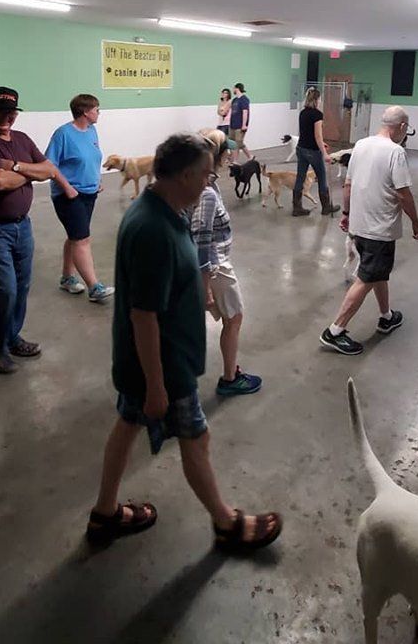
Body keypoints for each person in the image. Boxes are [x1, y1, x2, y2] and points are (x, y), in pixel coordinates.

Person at [86, 133, 281, 551]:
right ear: (187, 174)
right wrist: (157, 386)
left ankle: (104, 514)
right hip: (163, 365)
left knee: (126, 426)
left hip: (150, 361)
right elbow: (144, 316)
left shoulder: (165, 209)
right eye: (208, 175)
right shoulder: (153, 228)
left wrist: (201, 296)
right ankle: (227, 524)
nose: (212, 183)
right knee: (196, 438)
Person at [0, 87, 77, 374]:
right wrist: (29, 173)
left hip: (21, 226)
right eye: (1, 111)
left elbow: (49, 169)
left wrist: (14, 166)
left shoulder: (22, 139)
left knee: (22, 287)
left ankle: (11, 337)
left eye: (11, 112)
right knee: (3, 289)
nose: (7, 117)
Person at [319, 106, 418, 356]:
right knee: (366, 278)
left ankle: (386, 316)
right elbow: (403, 193)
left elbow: (348, 184)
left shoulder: (361, 145)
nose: (405, 133)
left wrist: (346, 214)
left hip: (359, 224)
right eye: (406, 129)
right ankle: (335, 330)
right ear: (400, 127)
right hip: (380, 228)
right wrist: (416, 222)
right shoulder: (395, 152)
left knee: (377, 271)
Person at [190, 137, 261, 396]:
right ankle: (230, 378)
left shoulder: (208, 185)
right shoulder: (206, 193)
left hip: (214, 264)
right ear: (215, 156)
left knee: (231, 318)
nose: (231, 153)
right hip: (216, 266)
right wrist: (205, 285)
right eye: (226, 150)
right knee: (235, 318)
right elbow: (201, 237)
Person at [45, 94, 115, 303]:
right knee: (82, 238)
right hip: (69, 195)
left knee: (75, 236)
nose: (98, 113)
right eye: (96, 109)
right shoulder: (63, 134)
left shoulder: (92, 130)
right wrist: (67, 188)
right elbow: (50, 166)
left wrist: (97, 179)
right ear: (85, 112)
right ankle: (94, 287)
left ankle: (67, 278)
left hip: (89, 193)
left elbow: (92, 158)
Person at [292, 86, 339, 218]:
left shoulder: (303, 113)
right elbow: (318, 136)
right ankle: (326, 207)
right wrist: (324, 153)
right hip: (313, 151)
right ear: (317, 100)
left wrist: (321, 144)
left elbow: (306, 133)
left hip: (301, 149)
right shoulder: (317, 114)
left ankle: (297, 207)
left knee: (300, 178)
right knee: (322, 177)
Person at [229, 83, 252, 162]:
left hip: (240, 125)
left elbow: (245, 112)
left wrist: (244, 125)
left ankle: (235, 161)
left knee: (237, 144)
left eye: (233, 88)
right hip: (233, 125)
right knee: (233, 143)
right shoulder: (234, 100)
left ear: (237, 88)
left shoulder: (244, 99)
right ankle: (250, 156)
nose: (233, 90)